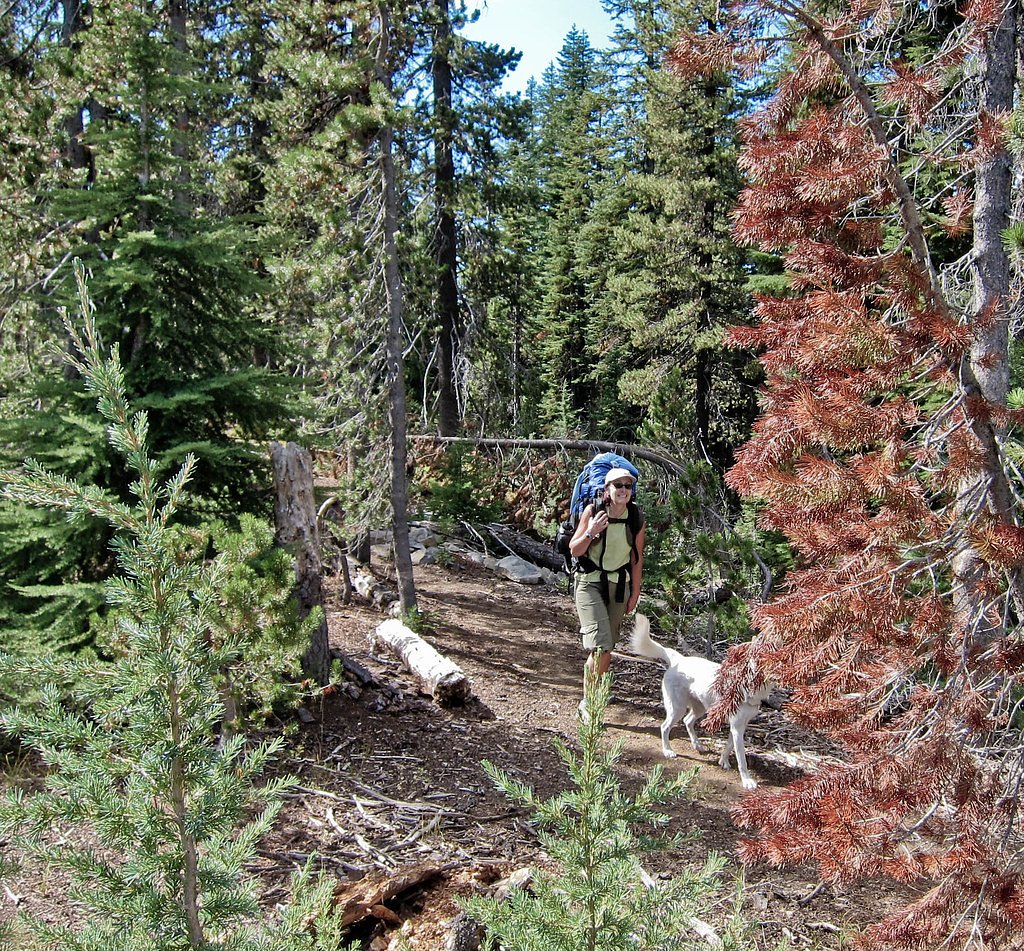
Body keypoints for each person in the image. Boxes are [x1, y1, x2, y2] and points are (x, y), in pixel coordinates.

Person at [568, 466, 645, 710]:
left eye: (627, 486)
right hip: (589, 582)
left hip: (618, 586)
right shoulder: (593, 511)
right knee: (600, 645)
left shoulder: (636, 517)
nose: (623, 490)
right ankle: (589, 704)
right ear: (607, 489)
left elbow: (637, 558)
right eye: (618, 485)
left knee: (607, 648)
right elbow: (575, 549)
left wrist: (635, 592)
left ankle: (597, 692)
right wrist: (592, 531)